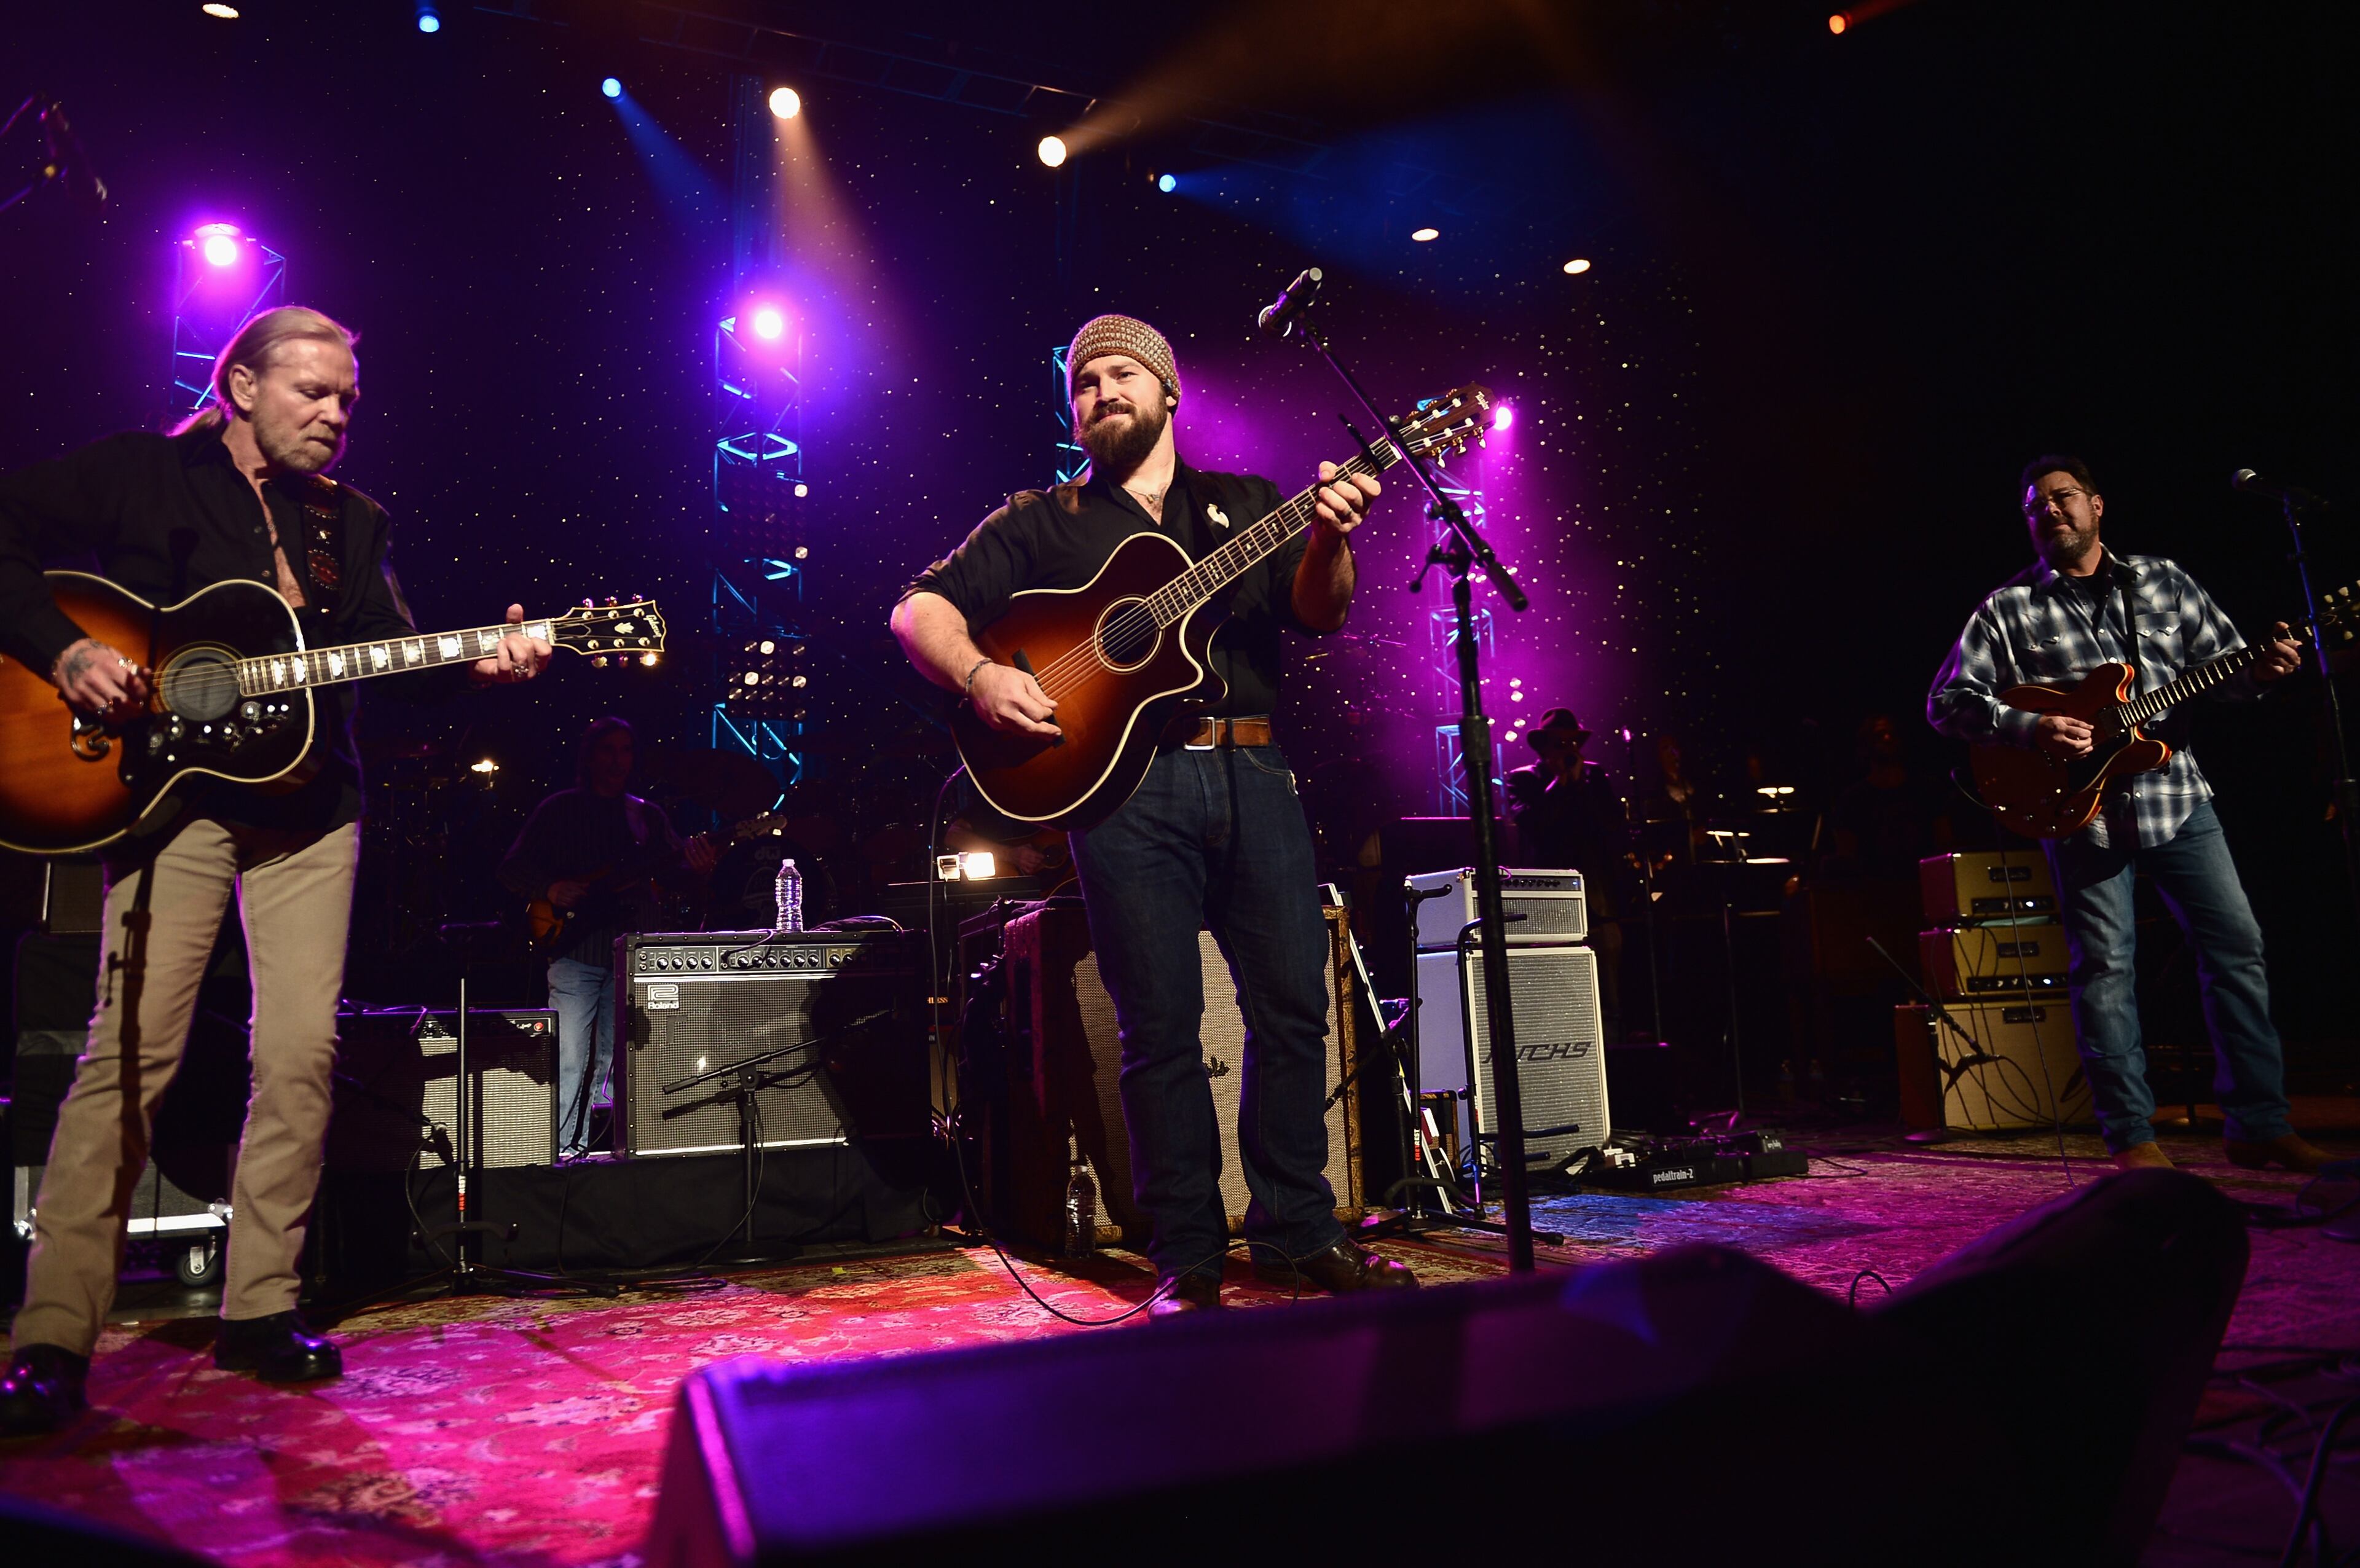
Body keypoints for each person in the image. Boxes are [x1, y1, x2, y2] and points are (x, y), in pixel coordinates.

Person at [0, 306, 552, 1433]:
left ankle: (260, 1308)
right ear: (241, 384)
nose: (338, 416)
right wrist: (63, 648)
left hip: (311, 812)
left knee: (299, 1056)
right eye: (314, 393)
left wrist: (479, 667)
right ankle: (53, 1336)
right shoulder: (140, 476)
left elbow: (389, 666)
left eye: (349, 398)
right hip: (169, 807)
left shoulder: (352, 524)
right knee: (130, 1062)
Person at [889, 314, 1413, 1316]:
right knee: (1160, 1030)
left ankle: (1299, 1232)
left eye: (1122, 374)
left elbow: (1322, 610)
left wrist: (1332, 537)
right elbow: (921, 611)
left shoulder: (1251, 505)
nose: (1101, 395)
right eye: (1084, 385)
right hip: (1123, 793)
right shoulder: (1042, 521)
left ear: (1169, 391)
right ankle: (1190, 1258)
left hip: (1253, 771)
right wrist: (983, 673)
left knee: (1296, 1011)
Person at [1927, 453, 2324, 1174]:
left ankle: (2259, 1123)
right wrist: (2031, 727)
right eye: (2035, 505)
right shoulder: (2008, 608)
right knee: (2106, 969)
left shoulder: (2163, 581)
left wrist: (2260, 673)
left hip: (2179, 800)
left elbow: (2227, 671)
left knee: (2238, 948)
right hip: (2083, 813)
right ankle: (2132, 1139)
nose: (2050, 510)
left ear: (2098, 505)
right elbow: (1946, 703)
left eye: (2063, 496)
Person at [498, 718, 717, 1158]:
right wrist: (550, 889)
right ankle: (563, 1152)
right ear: (590, 756)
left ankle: (609, 1151)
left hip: (630, 956)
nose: (618, 760)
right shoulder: (559, 810)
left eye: (626, 751)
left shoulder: (647, 816)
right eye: (609, 750)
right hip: (575, 951)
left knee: (620, 1064)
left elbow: (674, 879)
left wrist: (699, 870)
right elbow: (511, 869)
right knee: (569, 1059)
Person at [1504, 708, 1627, 1038]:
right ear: (1544, 747)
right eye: (1560, 743)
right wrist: (1560, 784)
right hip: (1549, 894)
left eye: (1572, 742)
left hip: (1597, 893)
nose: (1568, 748)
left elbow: (1614, 825)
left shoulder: (1594, 776)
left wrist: (1580, 785)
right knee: (1556, 975)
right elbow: (1532, 824)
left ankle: (1615, 1046)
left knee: (1609, 974)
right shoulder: (1524, 779)